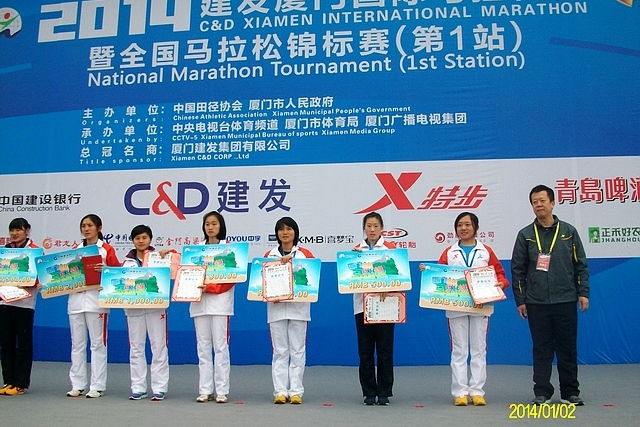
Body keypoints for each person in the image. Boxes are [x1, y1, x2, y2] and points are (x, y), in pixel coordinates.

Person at [511, 185, 589, 406]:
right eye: (534, 202)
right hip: (536, 302)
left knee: (567, 348)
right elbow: (518, 269)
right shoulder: (526, 235)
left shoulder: (569, 232)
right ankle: (542, 392)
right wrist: (521, 299)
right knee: (541, 349)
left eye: (542, 201)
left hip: (566, 299)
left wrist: (583, 293)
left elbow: (580, 265)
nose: (539, 205)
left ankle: (570, 392)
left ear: (553, 203)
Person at [420, 212, 508, 406]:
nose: (463, 228)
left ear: (476, 227)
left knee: (479, 349)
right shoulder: (449, 252)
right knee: (459, 350)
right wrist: (428, 272)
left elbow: (500, 274)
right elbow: (439, 274)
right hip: (456, 307)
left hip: (481, 306)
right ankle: (460, 392)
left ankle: (477, 391)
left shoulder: (486, 251)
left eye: (467, 224)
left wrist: (501, 283)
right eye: (460, 225)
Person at [67, 214, 120, 398]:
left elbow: (118, 274)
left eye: (90, 225)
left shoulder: (106, 249)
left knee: (98, 344)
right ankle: (77, 384)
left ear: (99, 227)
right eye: (83, 226)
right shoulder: (75, 249)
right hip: (75, 302)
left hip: (96, 303)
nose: (86, 229)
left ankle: (97, 385)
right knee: (77, 344)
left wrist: (106, 270)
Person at [264, 217, 315, 404]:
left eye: (289, 229)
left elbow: (312, 280)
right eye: (281, 229)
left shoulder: (304, 254)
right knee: (280, 351)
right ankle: (280, 391)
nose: (285, 233)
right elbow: (262, 283)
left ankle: (295, 392)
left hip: (298, 309)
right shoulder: (269, 255)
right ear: (276, 233)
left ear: (295, 232)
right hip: (276, 309)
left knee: (297, 350)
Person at [121, 225, 170, 401]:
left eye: (144, 237)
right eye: (137, 238)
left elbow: (176, 267)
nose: (141, 241)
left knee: (159, 347)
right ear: (132, 241)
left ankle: (159, 387)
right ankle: (138, 387)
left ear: (150, 239)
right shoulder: (126, 263)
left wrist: (170, 254)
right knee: (136, 348)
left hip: (156, 308)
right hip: (133, 310)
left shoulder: (160, 258)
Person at [191, 211, 235, 404]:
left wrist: (211, 287)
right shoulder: (195, 250)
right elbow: (185, 271)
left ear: (221, 226)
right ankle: (205, 390)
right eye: (207, 224)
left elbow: (231, 278)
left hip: (220, 305)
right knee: (203, 348)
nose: (210, 227)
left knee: (220, 347)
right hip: (199, 304)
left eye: (214, 224)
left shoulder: (229, 249)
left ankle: (222, 390)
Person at [352, 212, 396, 406]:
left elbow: (399, 275)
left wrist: (389, 286)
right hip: (362, 306)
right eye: (368, 226)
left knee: (385, 350)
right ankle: (369, 392)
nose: (372, 229)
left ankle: (384, 392)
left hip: (385, 305)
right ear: (364, 228)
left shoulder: (390, 249)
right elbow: (350, 278)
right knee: (365, 351)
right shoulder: (356, 250)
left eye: (375, 226)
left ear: (381, 228)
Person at [0, 218, 39, 396]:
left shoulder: (35, 251)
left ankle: (21, 383)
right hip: (4, 301)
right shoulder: (5, 251)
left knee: (23, 344)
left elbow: (40, 277)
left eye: (18, 230)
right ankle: (8, 381)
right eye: (12, 230)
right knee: (6, 343)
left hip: (25, 304)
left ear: (27, 230)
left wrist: (33, 282)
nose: (14, 233)